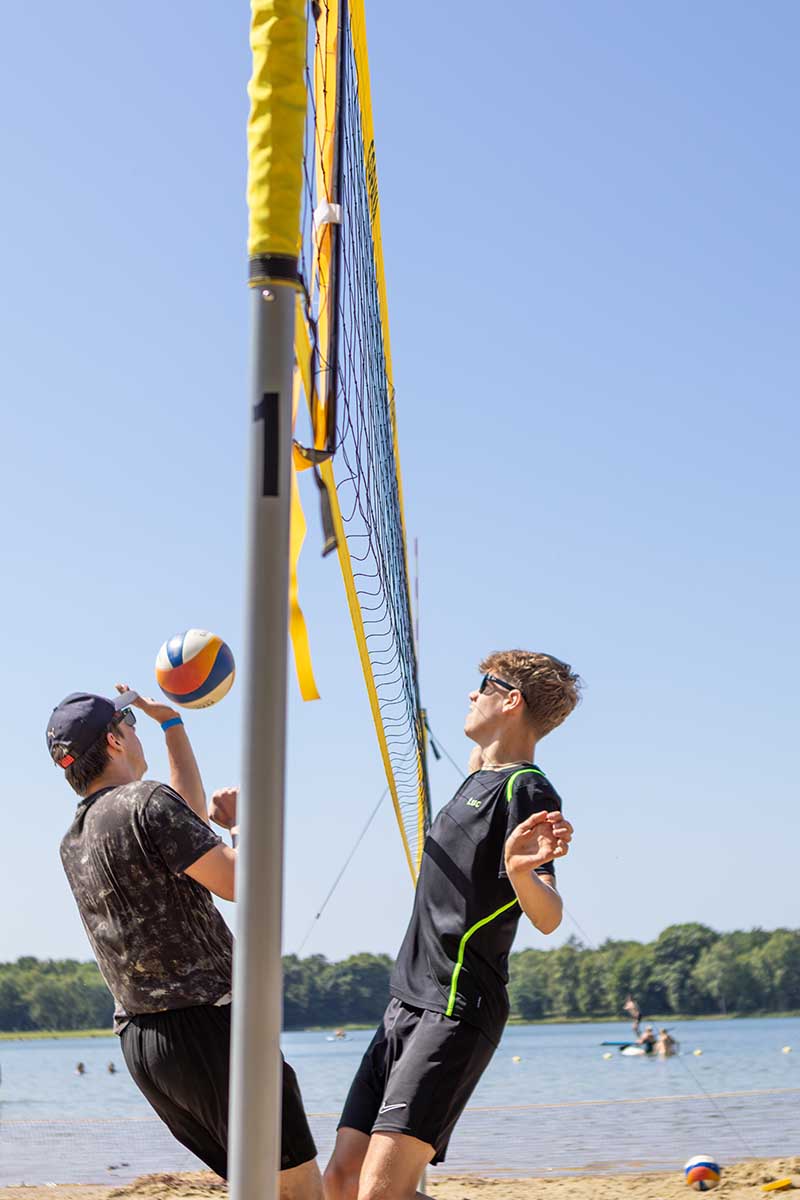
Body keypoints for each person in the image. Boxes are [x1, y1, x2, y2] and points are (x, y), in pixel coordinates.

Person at [324, 650, 580, 1200]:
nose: (470, 694)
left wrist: (519, 871)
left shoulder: (528, 790)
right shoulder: (477, 775)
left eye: (483, 685)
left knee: (379, 1193)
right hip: (405, 1001)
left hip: (456, 1006)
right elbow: (481, 751)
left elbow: (550, 916)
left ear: (511, 701)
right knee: (342, 1180)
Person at [47, 685, 320, 1197]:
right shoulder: (147, 802)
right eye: (131, 724)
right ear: (114, 740)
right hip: (208, 1026)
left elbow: (184, 817)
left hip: (144, 1045)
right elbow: (242, 884)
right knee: (296, 1187)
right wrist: (241, 825)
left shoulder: (77, 836)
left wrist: (173, 726)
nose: (135, 729)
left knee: (257, 1186)